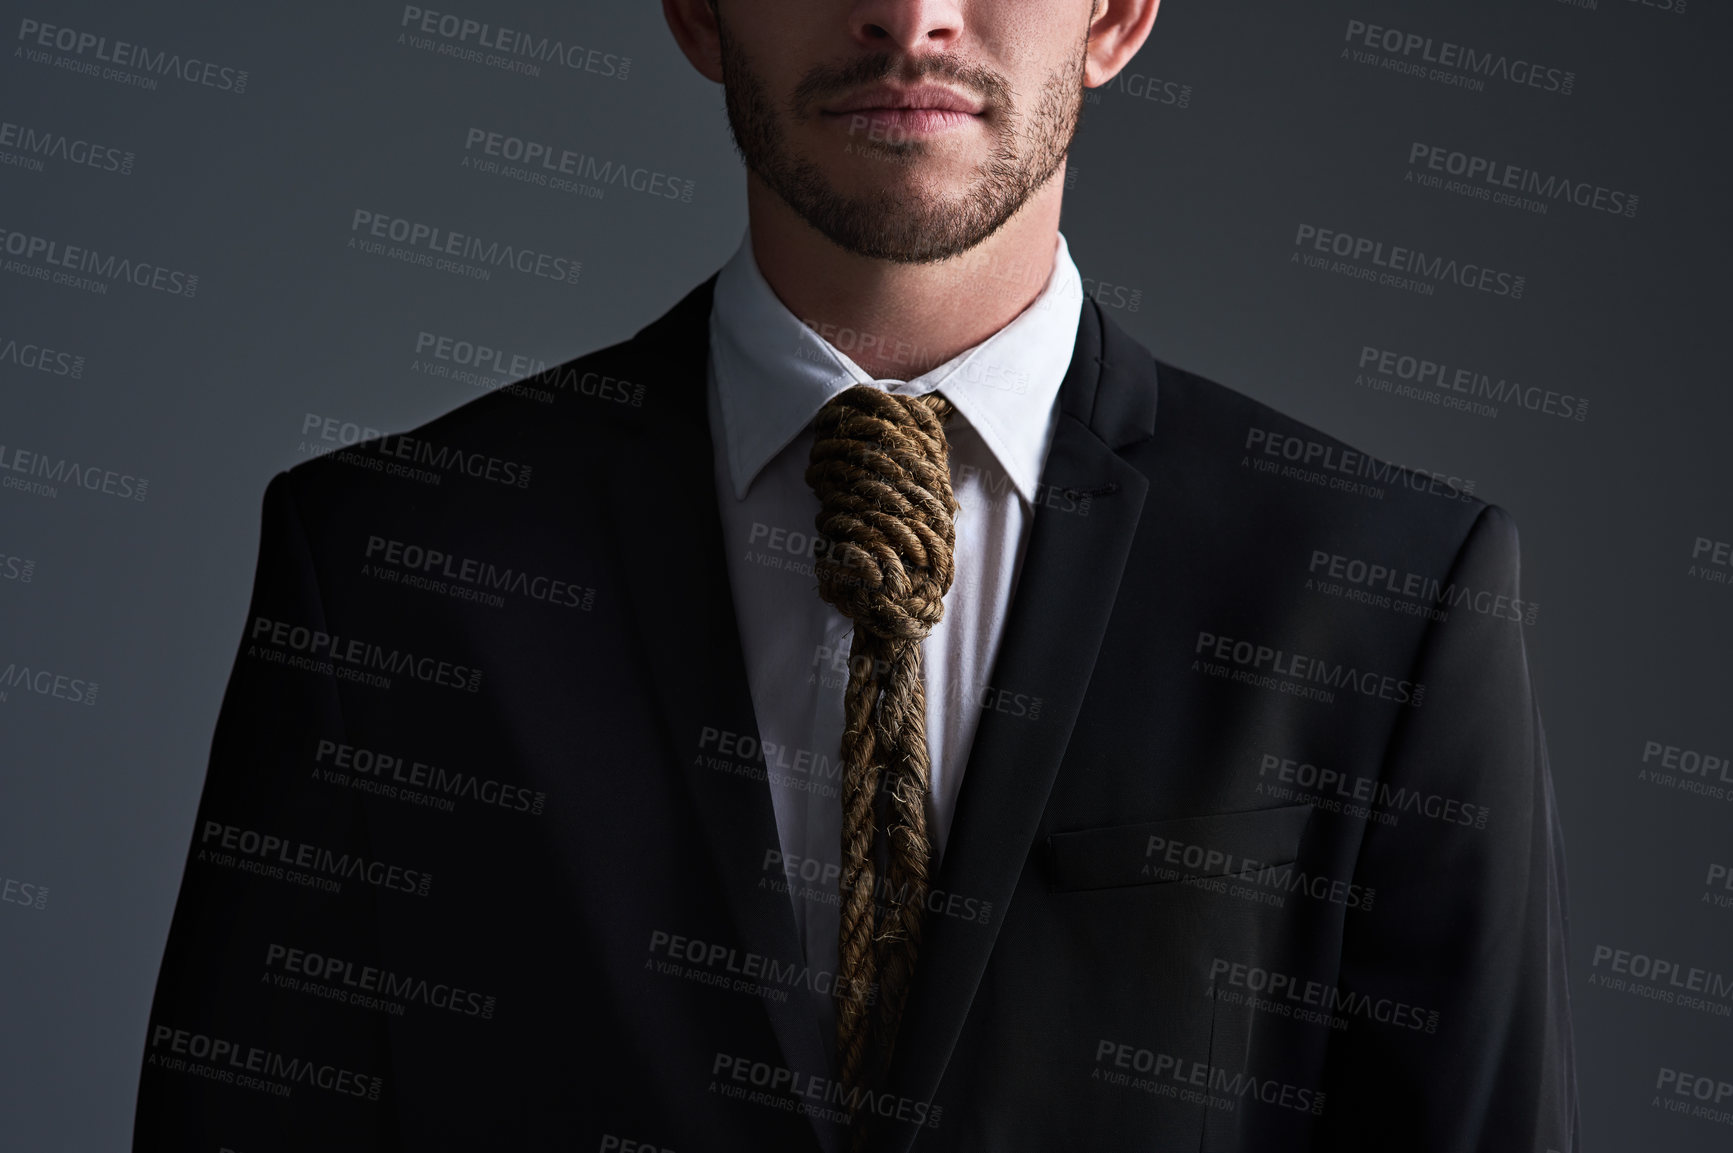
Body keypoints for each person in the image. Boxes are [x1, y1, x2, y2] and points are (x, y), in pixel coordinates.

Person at [134, 2, 1578, 1150]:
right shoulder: (392, 563)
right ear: (698, 12)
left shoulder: (1386, 592)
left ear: (1119, 14)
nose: (912, 17)